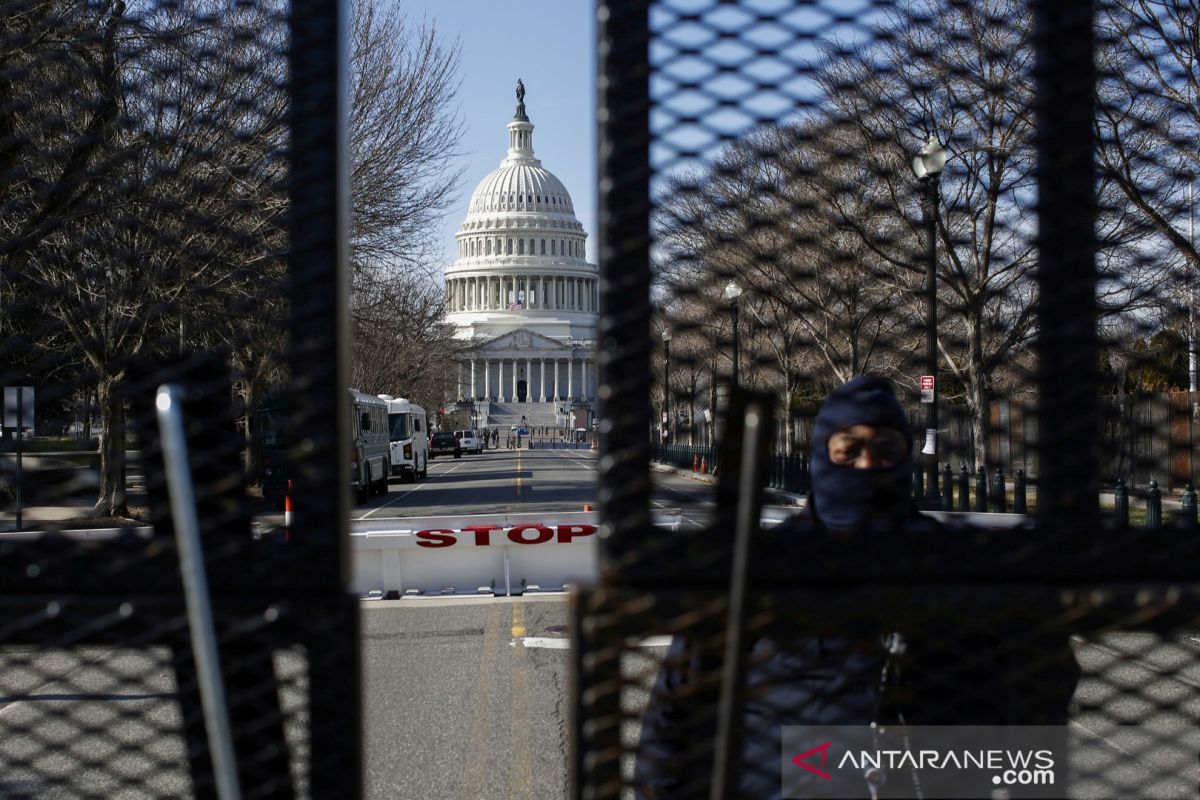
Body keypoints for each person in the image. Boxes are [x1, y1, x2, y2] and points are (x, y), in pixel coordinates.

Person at [634, 375, 1079, 798]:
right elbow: (674, 713)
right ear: (823, 458)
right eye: (849, 451)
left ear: (906, 457)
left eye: (885, 450)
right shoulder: (761, 567)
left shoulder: (962, 564)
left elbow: (1038, 693)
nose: (868, 465)